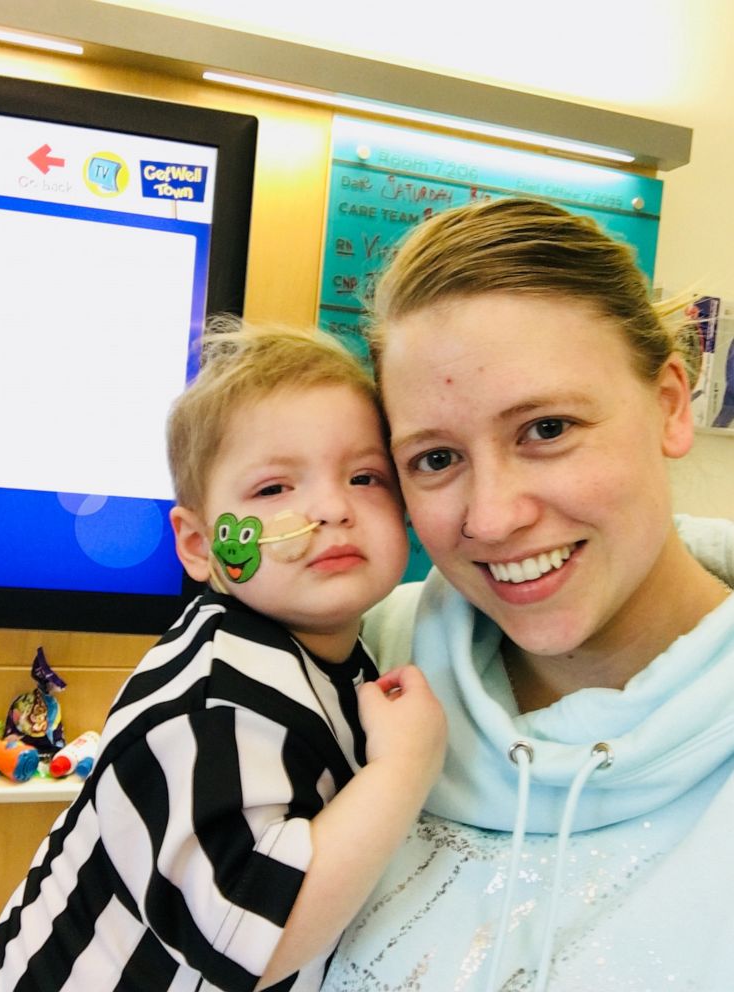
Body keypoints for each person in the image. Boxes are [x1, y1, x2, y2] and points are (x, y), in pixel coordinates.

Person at [322, 198, 734, 991]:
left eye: (546, 429)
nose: (493, 516)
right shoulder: (345, 667)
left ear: (670, 405)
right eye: (436, 459)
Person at [0, 321, 446, 992]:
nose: (330, 507)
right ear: (200, 544)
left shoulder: (345, 654)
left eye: (365, 476)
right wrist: (406, 766)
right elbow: (252, 936)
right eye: (273, 490)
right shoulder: (209, 699)